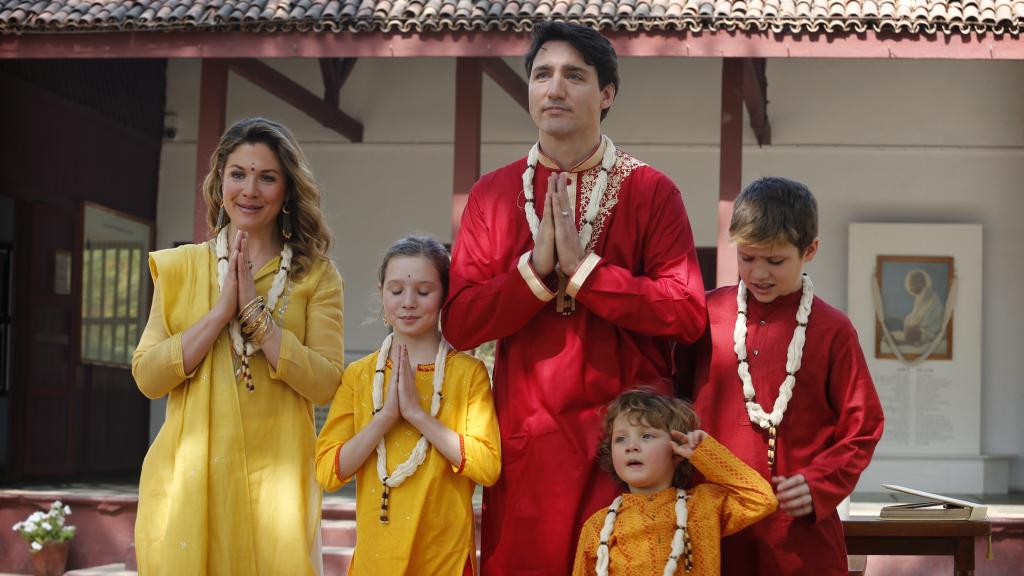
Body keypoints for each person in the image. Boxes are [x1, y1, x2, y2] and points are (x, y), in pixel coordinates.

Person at [442, 21, 707, 574]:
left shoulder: (650, 190)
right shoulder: (492, 194)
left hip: (629, 444)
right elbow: (461, 322)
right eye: (542, 75)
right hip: (529, 440)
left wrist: (587, 273)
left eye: (574, 76)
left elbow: (685, 312)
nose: (555, 88)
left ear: (606, 94)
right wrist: (535, 274)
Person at [132, 117, 344, 575]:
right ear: (219, 182)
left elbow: (326, 383)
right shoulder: (180, 268)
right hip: (189, 487)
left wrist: (256, 318)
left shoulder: (314, 277)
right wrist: (218, 315)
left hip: (276, 489)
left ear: (287, 190)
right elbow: (148, 377)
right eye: (238, 174)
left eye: (267, 177)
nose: (250, 189)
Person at [680, 177, 884, 575]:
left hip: (799, 534)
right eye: (747, 258)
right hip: (712, 526)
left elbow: (864, 424)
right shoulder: (704, 315)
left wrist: (820, 484)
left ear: (810, 250)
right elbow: (669, 403)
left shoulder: (832, 330)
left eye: (775, 261)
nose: (758, 274)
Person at [316, 235, 501, 575]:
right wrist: (384, 418)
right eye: (397, 290)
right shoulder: (359, 376)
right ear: (381, 293)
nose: (408, 302)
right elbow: (328, 472)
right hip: (376, 560)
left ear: (445, 295)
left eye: (423, 291)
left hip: (443, 559)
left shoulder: (467, 374)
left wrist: (417, 415)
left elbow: (488, 466)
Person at [572, 389, 776, 576]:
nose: (631, 446)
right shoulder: (598, 526)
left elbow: (761, 499)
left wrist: (704, 452)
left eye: (647, 435)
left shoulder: (704, 504)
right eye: (620, 439)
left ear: (676, 449)